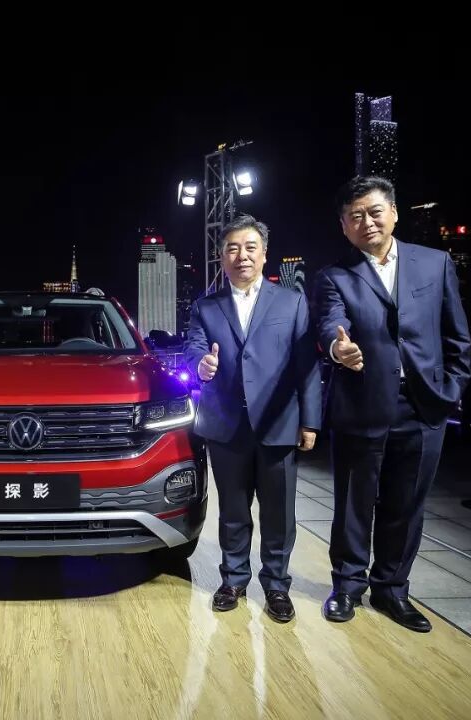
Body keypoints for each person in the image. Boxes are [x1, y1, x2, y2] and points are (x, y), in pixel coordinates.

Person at [314, 176, 471, 632]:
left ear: (394, 213)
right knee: (353, 504)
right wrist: (338, 348)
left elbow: (457, 336)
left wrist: (451, 390)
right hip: (361, 405)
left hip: (422, 407)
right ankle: (347, 586)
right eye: (355, 216)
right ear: (344, 226)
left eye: (374, 211)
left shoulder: (435, 263)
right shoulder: (334, 276)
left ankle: (392, 589)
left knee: (406, 505)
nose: (367, 222)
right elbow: (330, 323)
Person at [185, 214, 321, 622]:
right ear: (221, 257)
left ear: (264, 254)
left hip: (279, 422)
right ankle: (233, 580)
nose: (241, 256)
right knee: (233, 510)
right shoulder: (206, 307)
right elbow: (193, 350)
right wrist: (201, 365)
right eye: (232, 249)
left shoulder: (291, 302)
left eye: (249, 248)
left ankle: (277, 586)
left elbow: (306, 365)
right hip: (226, 425)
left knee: (279, 513)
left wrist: (310, 421)